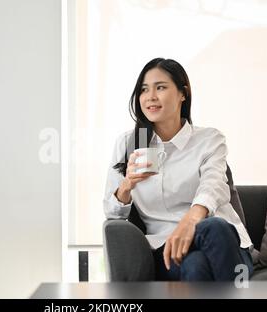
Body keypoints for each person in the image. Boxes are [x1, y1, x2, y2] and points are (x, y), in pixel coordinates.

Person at [103, 58, 254, 281]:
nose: (150, 97)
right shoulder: (129, 143)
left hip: (221, 241)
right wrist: (127, 185)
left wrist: (191, 220)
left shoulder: (210, 139)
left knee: (214, 228)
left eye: (160, 87)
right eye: (144, 90)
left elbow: (213, 185)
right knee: (195, 264)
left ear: (183, 93)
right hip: (166, 248)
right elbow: (112, 214)